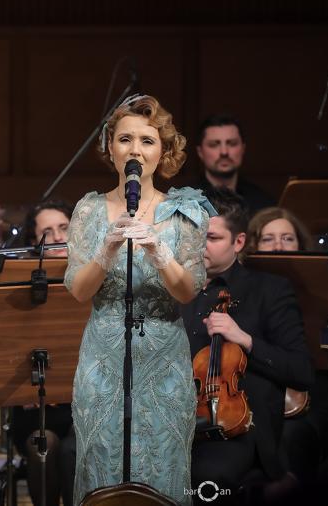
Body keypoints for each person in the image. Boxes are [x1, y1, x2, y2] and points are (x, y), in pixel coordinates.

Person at [65, 94, 213, 504]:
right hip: (102, 356)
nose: (135, 150)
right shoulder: (89, 210)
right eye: (125, 139)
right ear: (110, 147)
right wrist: (106, 250)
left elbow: (188, 291)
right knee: (100, 463)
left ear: (163, 151)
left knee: (162, 464)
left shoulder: (183, 210)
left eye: (147, 141)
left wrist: (159, 251)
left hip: (164, 357)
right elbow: (78, 290)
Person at [181, 189, 313, 502]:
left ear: (238, 242)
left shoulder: (270, 291)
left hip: (236, 431)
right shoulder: (176, 290)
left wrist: (246, 340)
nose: (200, 246)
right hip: (173, 427)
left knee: (204, 479)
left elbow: (301, 371)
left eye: (211, 238)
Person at [245, 206, 328, 484]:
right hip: (257, 384)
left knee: (295, 436)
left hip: (317, 382)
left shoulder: (322, 290)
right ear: (251, 244)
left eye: (288, 238)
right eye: (268, 239)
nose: (279, 246)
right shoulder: (243, 287)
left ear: (301, 244)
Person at [15, 199, 76, 506]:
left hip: (85, 407)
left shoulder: (94, 277)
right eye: (47, 232)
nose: (57, 238)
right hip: (35, 406)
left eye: (64, 228)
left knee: (75, 450)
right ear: (32, 242)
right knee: (45, 446)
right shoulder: (18, 285)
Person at [192, 114, 276, 215]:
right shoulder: (185, 202)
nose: (224, 152)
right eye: (214, 144)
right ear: (200, 152)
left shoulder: (263, 203)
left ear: (243, 149)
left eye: (232, 143)